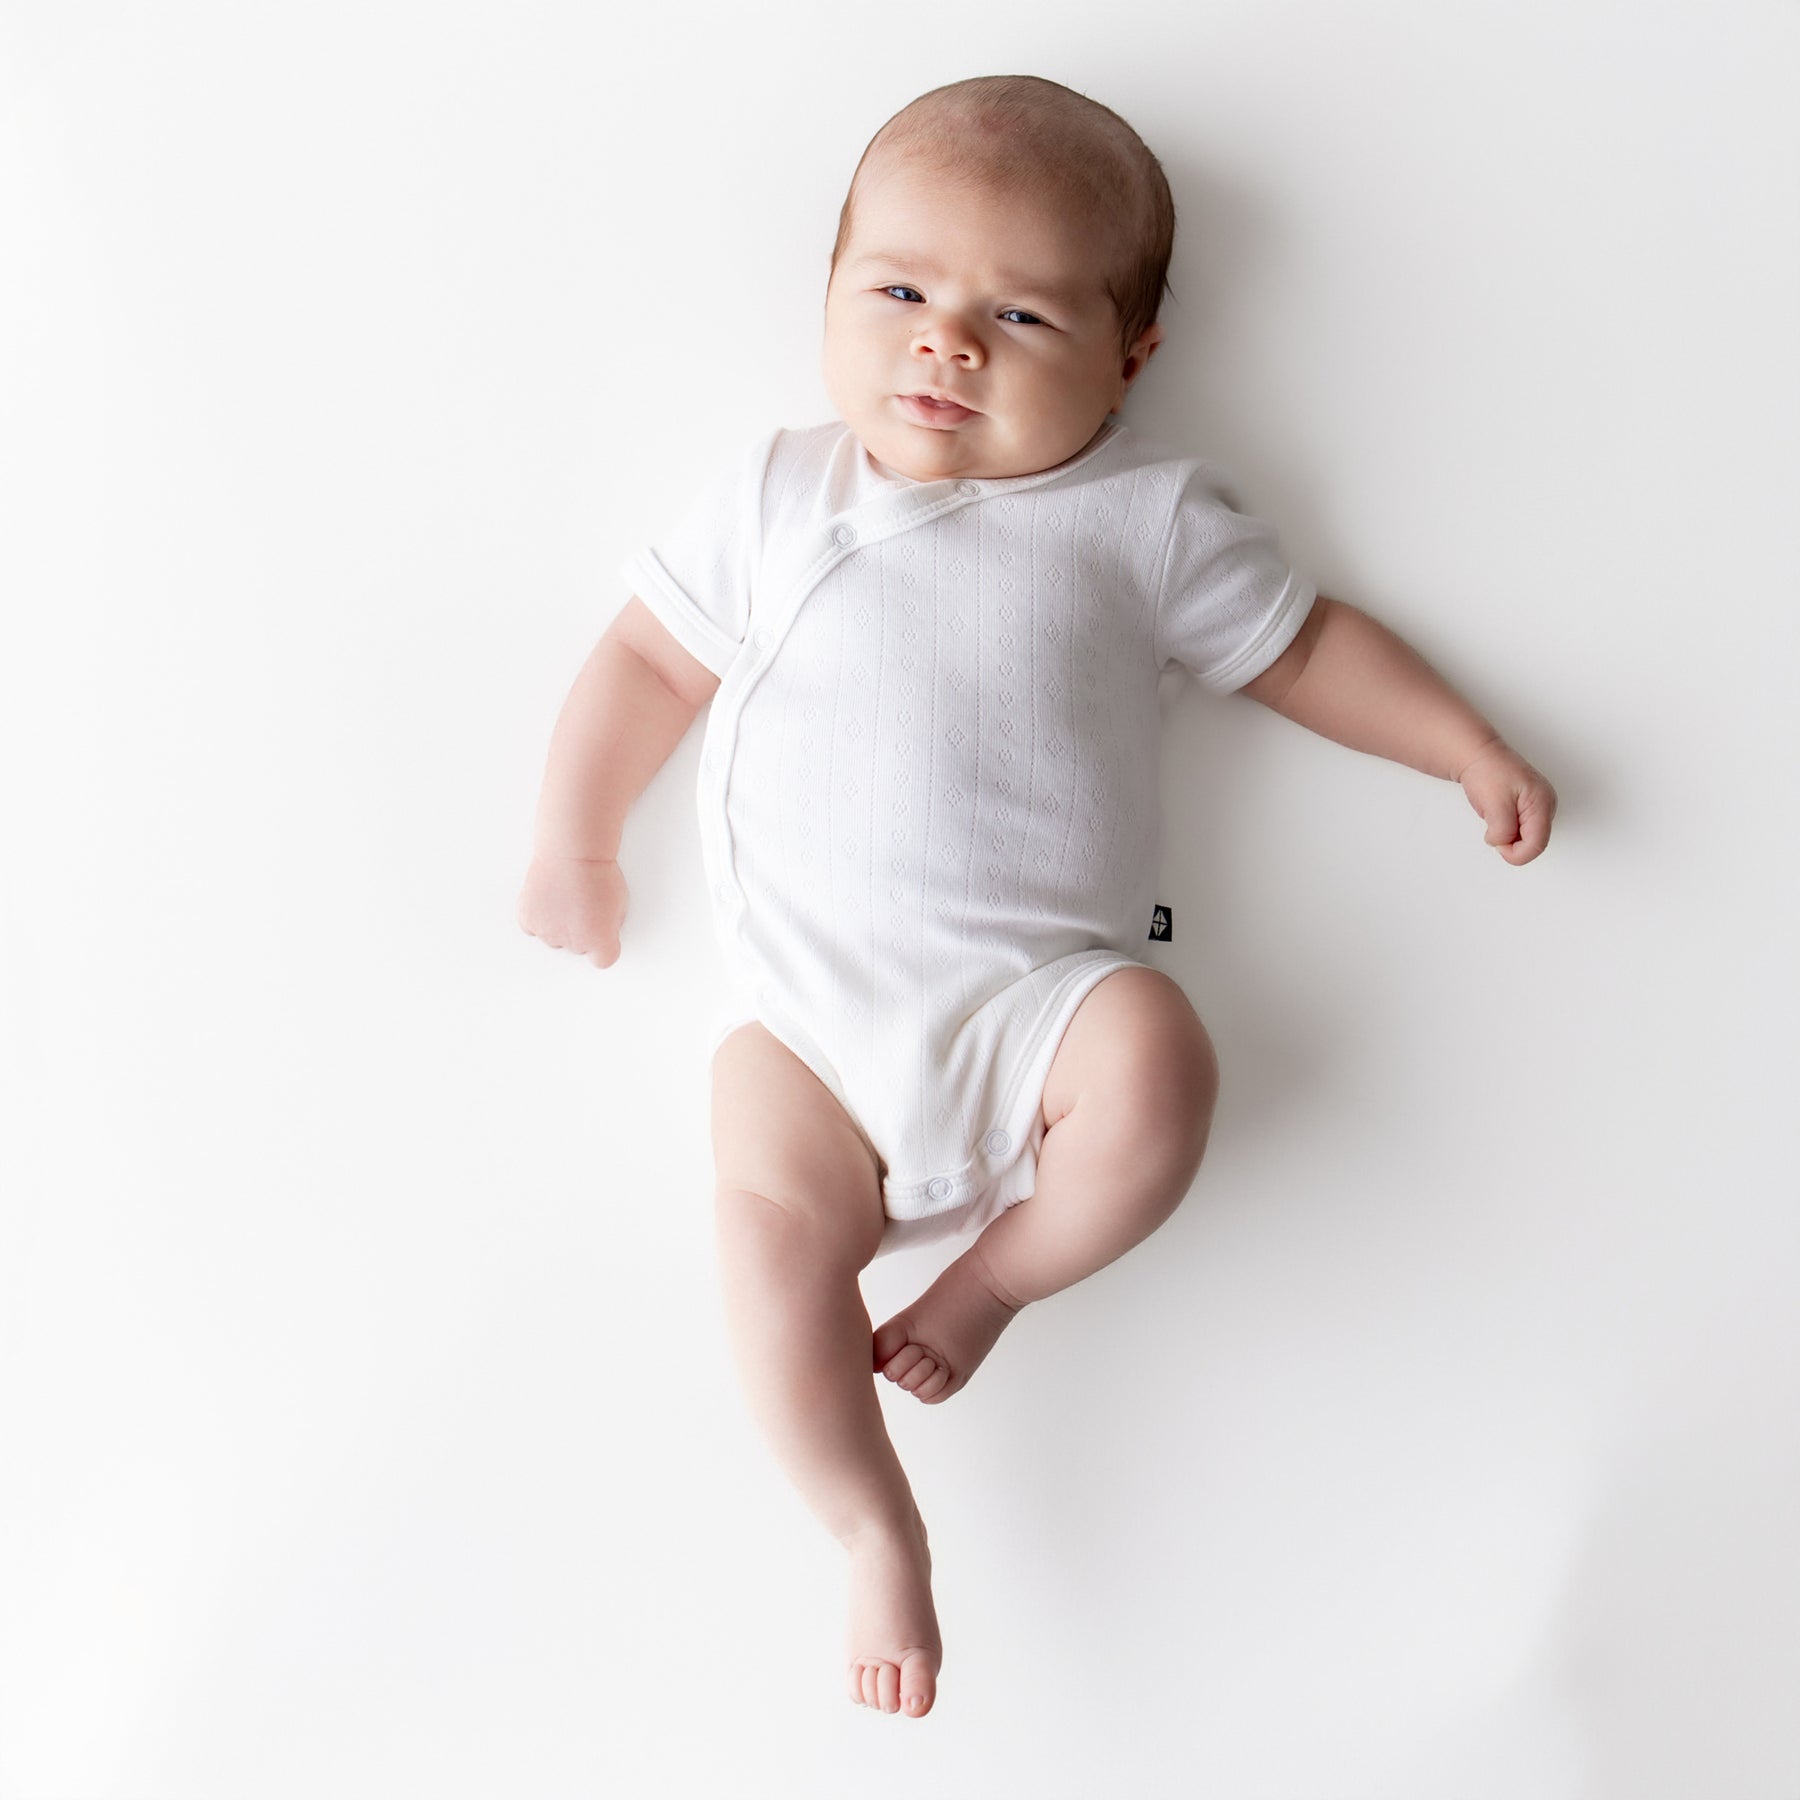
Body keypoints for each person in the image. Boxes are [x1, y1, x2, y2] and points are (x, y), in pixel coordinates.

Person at [516, 74, 1557, 1721]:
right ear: (834, 295)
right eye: (903, 294)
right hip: (811, 1034)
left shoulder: (1144, 519)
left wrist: (1462, 743)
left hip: (1037, 1012)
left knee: (1163, 1064)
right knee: (763, 1244)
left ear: (1130, 358)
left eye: (1019, 313)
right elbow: (648, 658)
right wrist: (576, 834)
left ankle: (994, 1275)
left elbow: (1302, 650)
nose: (949, 346)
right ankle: (870, 1523)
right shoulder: (784, 495)